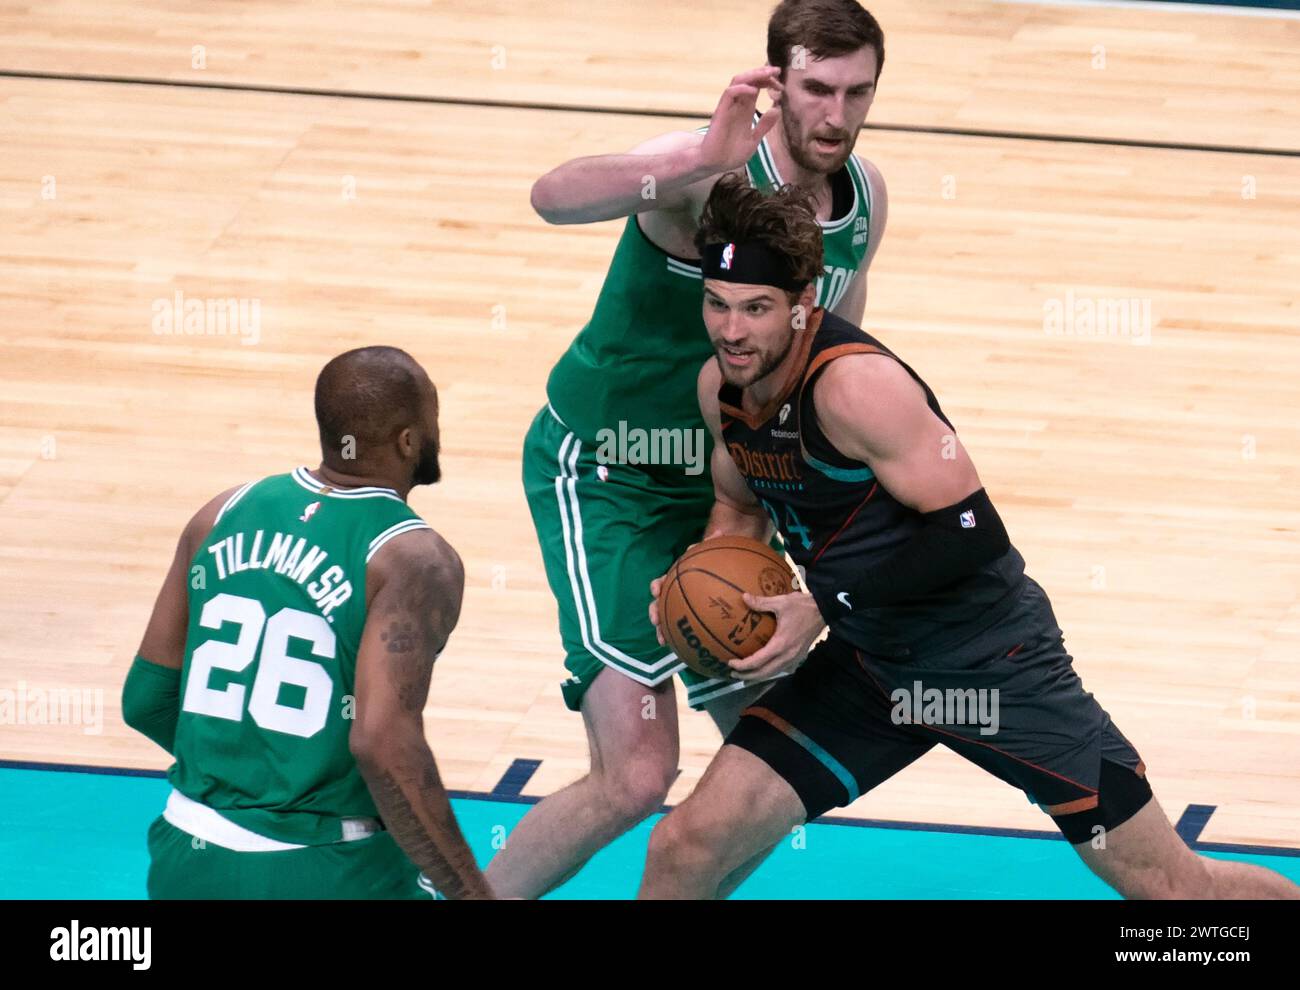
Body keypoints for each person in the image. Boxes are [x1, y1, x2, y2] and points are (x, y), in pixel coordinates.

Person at [639, 175, 1300, 900]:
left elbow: (972, 531)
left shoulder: (857, 388)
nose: (732, 330)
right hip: (871, 666)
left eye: (757, 309)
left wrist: (826, 605)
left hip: (992, 659)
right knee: (684, 846)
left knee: (1176, 892)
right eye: (718, 304)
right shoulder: (722, 390)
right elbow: (738, 511)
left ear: (803, 306)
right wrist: (695, 582)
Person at [492, 0, 890, 899]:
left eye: (856, 92)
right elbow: (550, 196)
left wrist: (789, 520)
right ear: (776, 80)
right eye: (817, 88)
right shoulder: (709, 173)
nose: (835, 113)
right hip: (609, 473)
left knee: (776, 770)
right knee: (636, 776)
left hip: (729, 489)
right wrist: (693, 159)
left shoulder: (864, 202)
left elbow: (825, 361)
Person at [122, 346, 493, 899]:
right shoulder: (414, 559)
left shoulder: (221, 512)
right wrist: (472, 893)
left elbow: (147, 699)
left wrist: (252, 768)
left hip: (185, 855)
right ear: (409, 440)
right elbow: (383, 742)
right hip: (327, 868)